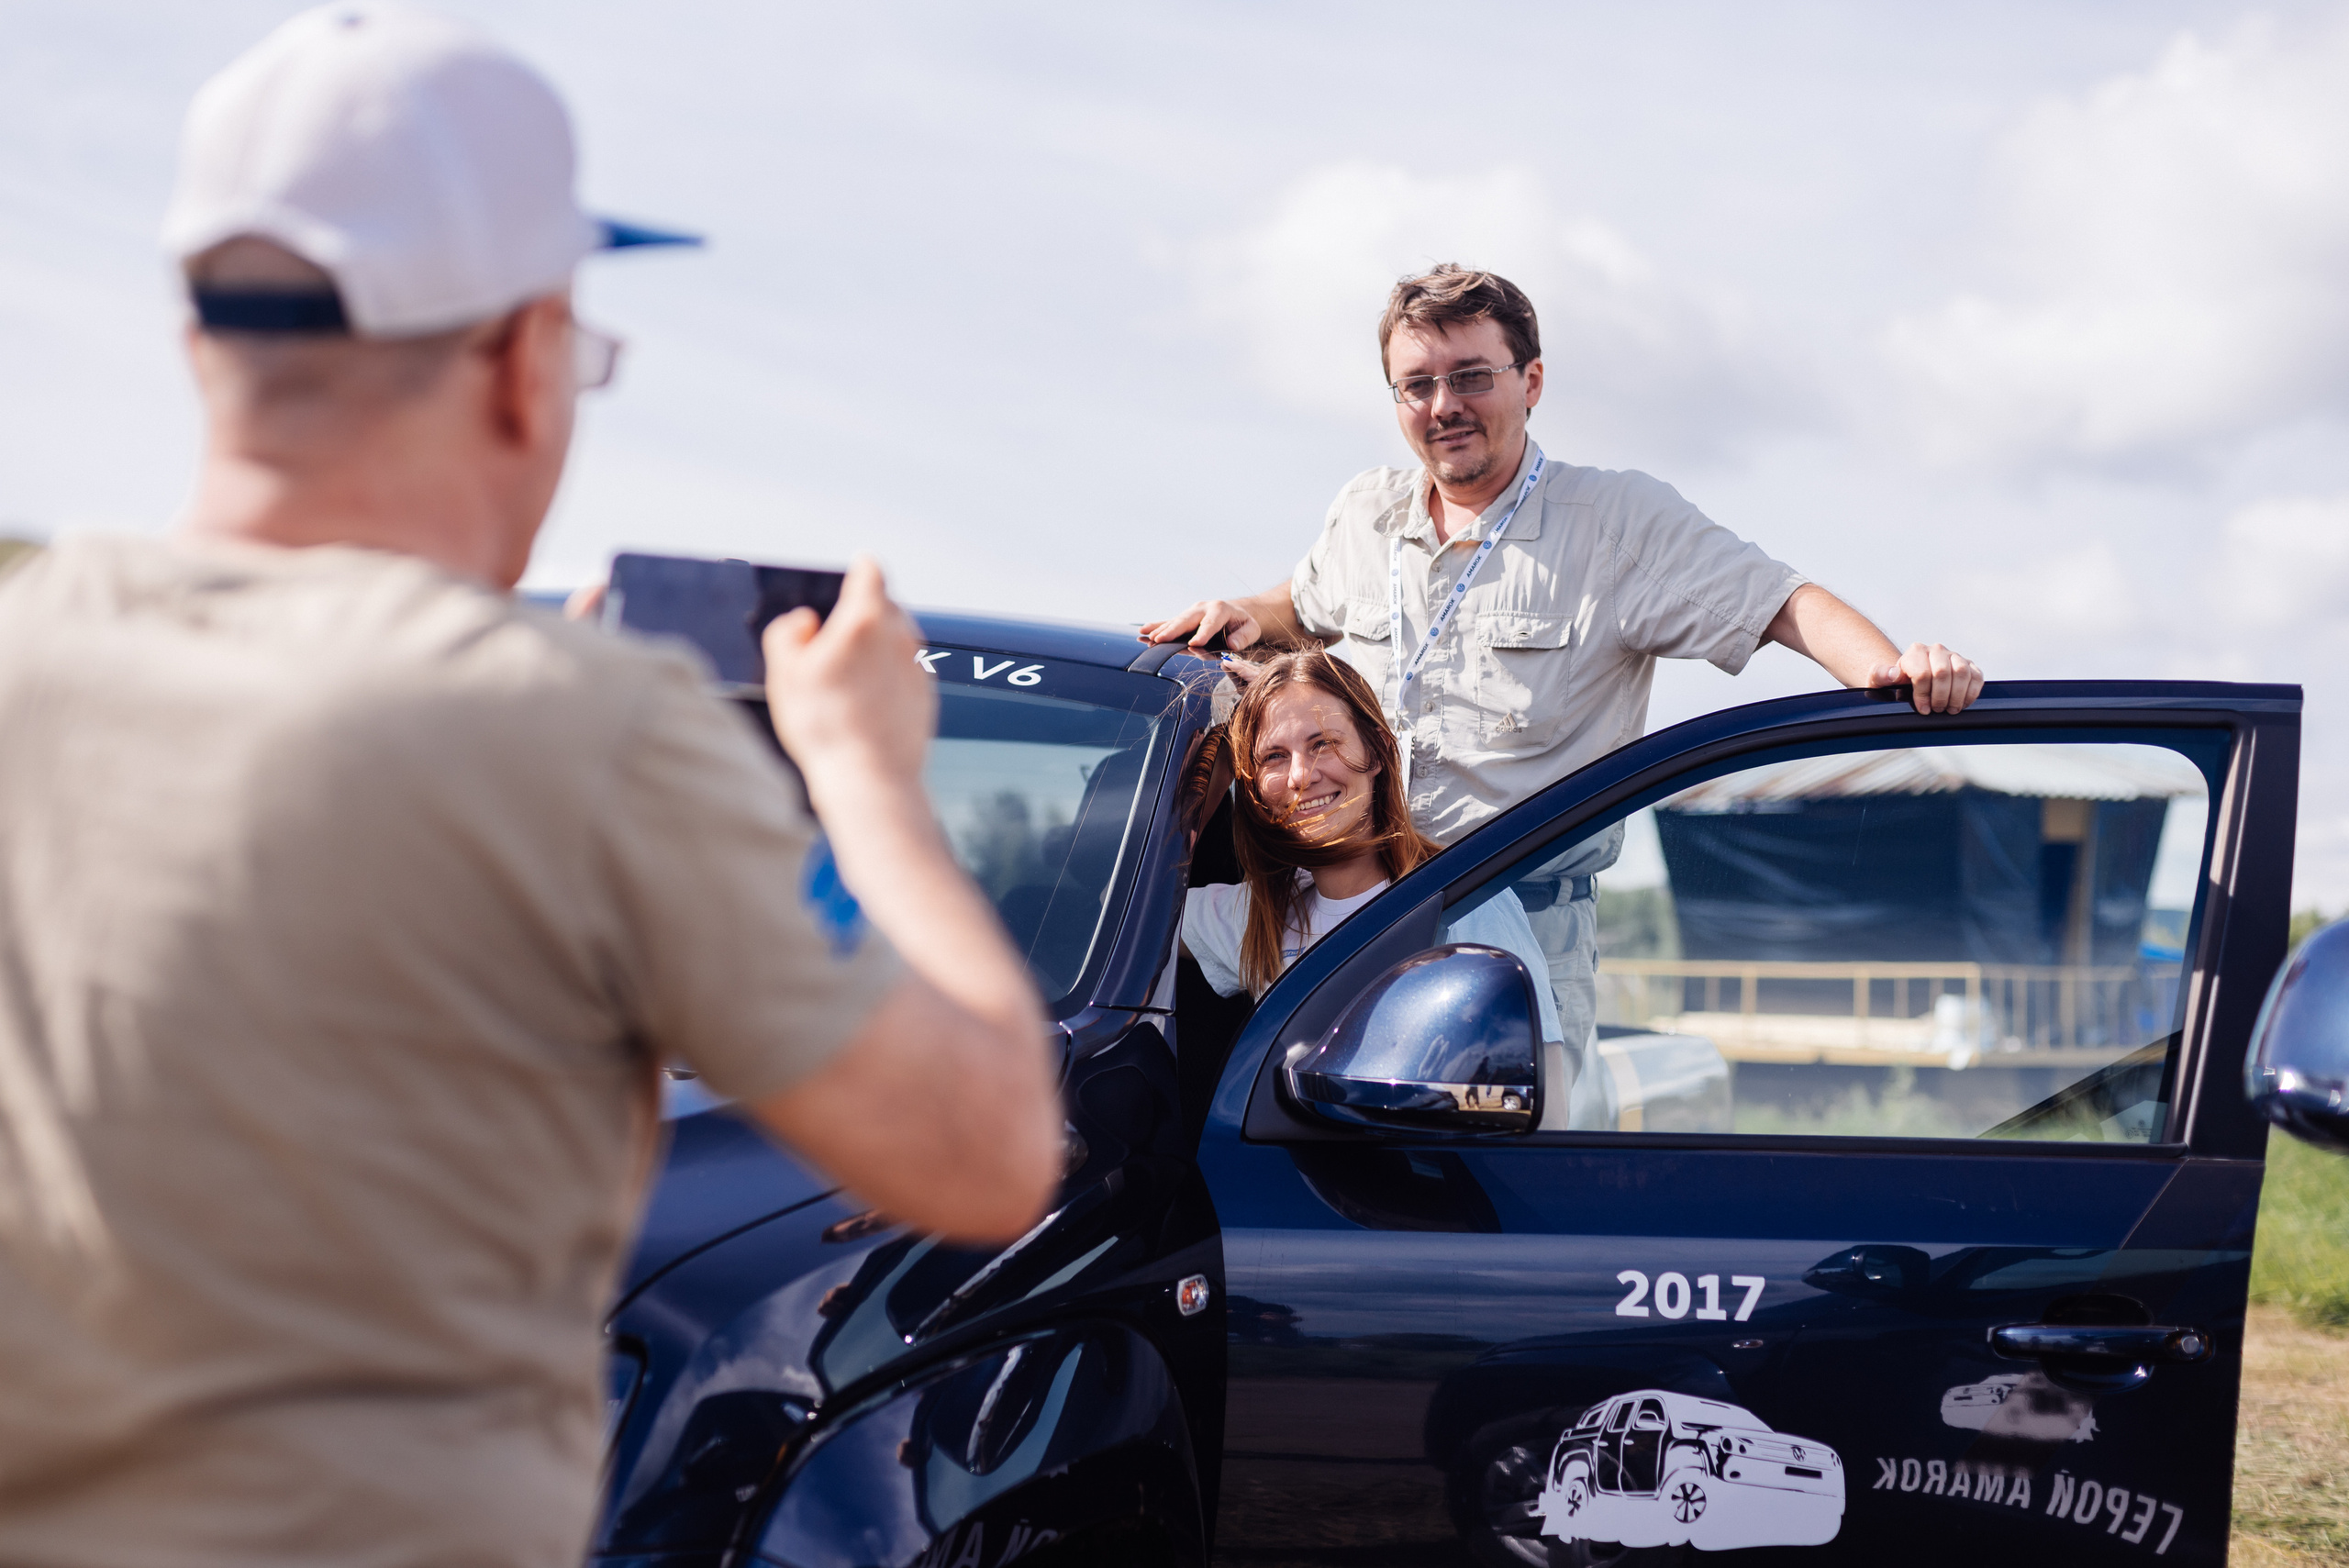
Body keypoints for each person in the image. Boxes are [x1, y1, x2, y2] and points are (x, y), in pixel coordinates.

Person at [0, 8, 1058, 1568]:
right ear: (519, 356)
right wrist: (866, 777)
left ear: (202, 341)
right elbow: (985, 1149)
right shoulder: (588, 740)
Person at [1142, 263, 1985, 1051]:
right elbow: (1298, 605)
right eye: (1418, 385)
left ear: (1531, 380)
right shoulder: (1365, 511)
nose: (1444, 405)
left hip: (1513, 930)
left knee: (1485, 1195)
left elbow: (1779, 603)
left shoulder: (1615, 521)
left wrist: (1890, 673)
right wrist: (1238, 612)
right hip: (1342, 915)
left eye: (1472, 375)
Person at [1179, 650, 1563, 1045]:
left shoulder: (1467, 904)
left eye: (1323, 743)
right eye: (1274, 756)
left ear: (1377, 751)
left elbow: (1539, 1094)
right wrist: (1221, 757)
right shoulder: (1260, 917)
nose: (1299, 776)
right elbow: (1126, 917)